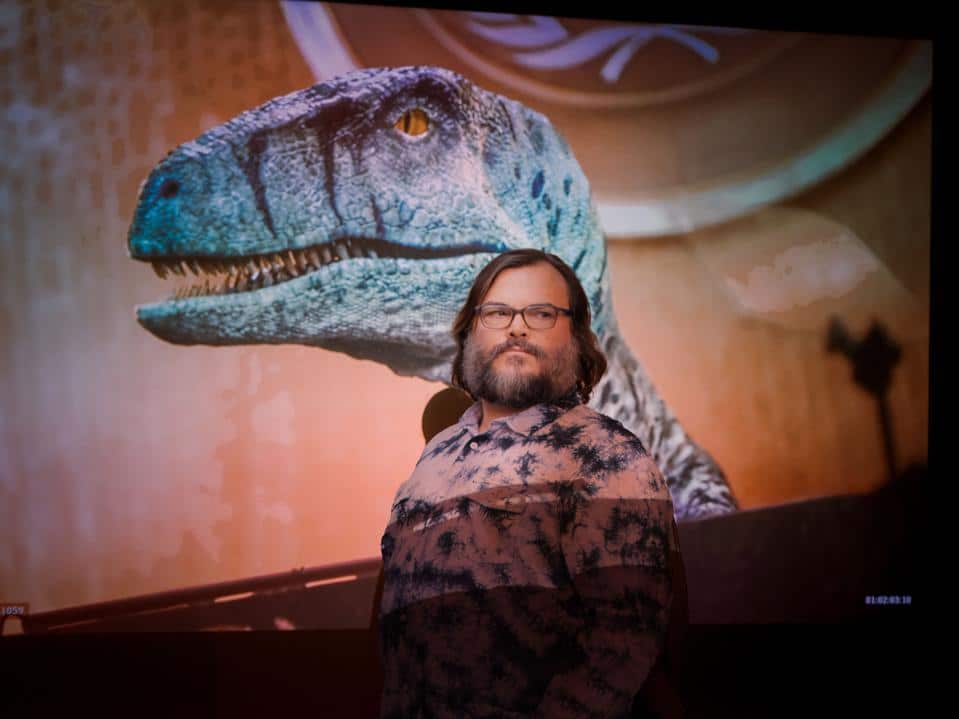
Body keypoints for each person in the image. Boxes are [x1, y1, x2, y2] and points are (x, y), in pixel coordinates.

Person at [373, 249, 686, 718]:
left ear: (577, 338)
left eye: (540, 313)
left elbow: (623, 646)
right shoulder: (434, 456)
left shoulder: (607, 454)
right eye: (497, 312)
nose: (516, 327)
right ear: (468, 332)